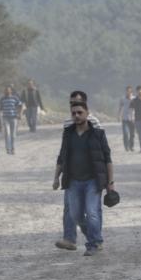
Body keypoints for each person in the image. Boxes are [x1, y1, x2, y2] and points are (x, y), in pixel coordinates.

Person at [53, 100, 114, 257]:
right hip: (73, 181)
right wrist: (56, 177)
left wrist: (110, 183)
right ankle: (96, 237)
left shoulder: (98, 134)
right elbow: (61, 157)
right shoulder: (68, 134)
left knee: (92, 212)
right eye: (74, 113)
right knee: (76, 215)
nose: (77, 116)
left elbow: (107, 159)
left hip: (93, 181)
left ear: (87, 114)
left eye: (80, 112)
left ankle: (93, 244)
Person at [56, 91, 101, 251]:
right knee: (71, 208)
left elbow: (101, 150)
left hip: (92, 175)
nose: (74, 109)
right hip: (72, 174)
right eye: (71, 104)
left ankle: (96, 238)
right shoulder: (68, 123)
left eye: (77, 104)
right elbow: (64, 150)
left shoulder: (94, 122)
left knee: (93, 210)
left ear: (86, 107)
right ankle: (70, 238)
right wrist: (58, 174)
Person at [0, 85, 24, 155]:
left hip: (14, 117)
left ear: (11, 91)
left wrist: (20, 114)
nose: (7, 91)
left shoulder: (15, 98)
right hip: (5, 118)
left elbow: (21, 105)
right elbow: (0, 109)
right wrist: (0, 119)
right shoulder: (2, 99)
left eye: (8, 90)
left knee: (13, 135)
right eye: (5, 90)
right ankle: (8, 148)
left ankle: (13, 148)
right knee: (7, 133)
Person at [117, 86, 136, 152]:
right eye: (127, 91)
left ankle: (131, 146)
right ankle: (126, 146)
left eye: (130, 91)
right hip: (124, 118)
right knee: (125, 133)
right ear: (126, 91)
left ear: (132, 92)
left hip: (132, 118)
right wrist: (119, 116)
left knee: (132, 134)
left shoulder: (134, 98)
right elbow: (120, 107)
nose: (128, 92)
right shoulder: (122, 99)